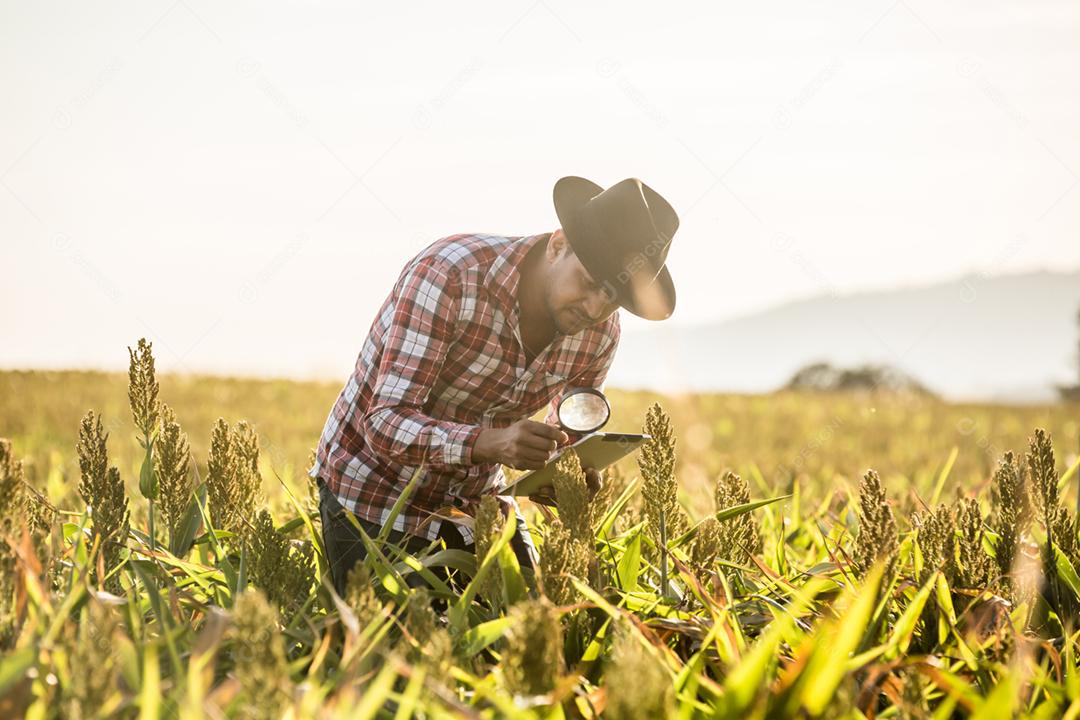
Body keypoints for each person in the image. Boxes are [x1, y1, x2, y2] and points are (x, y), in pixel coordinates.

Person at [308, 175, 681, 597]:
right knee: (398, 645)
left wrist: (564, 474)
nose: (596, 308)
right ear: (558, 245)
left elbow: (565, 434)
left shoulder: (600, 333)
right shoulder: (450, 274)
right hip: (374, 494)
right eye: (591, 283)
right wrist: (491, 443)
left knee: (531, 626)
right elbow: (384, 423)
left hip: (477, 501)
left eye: (614, 297)